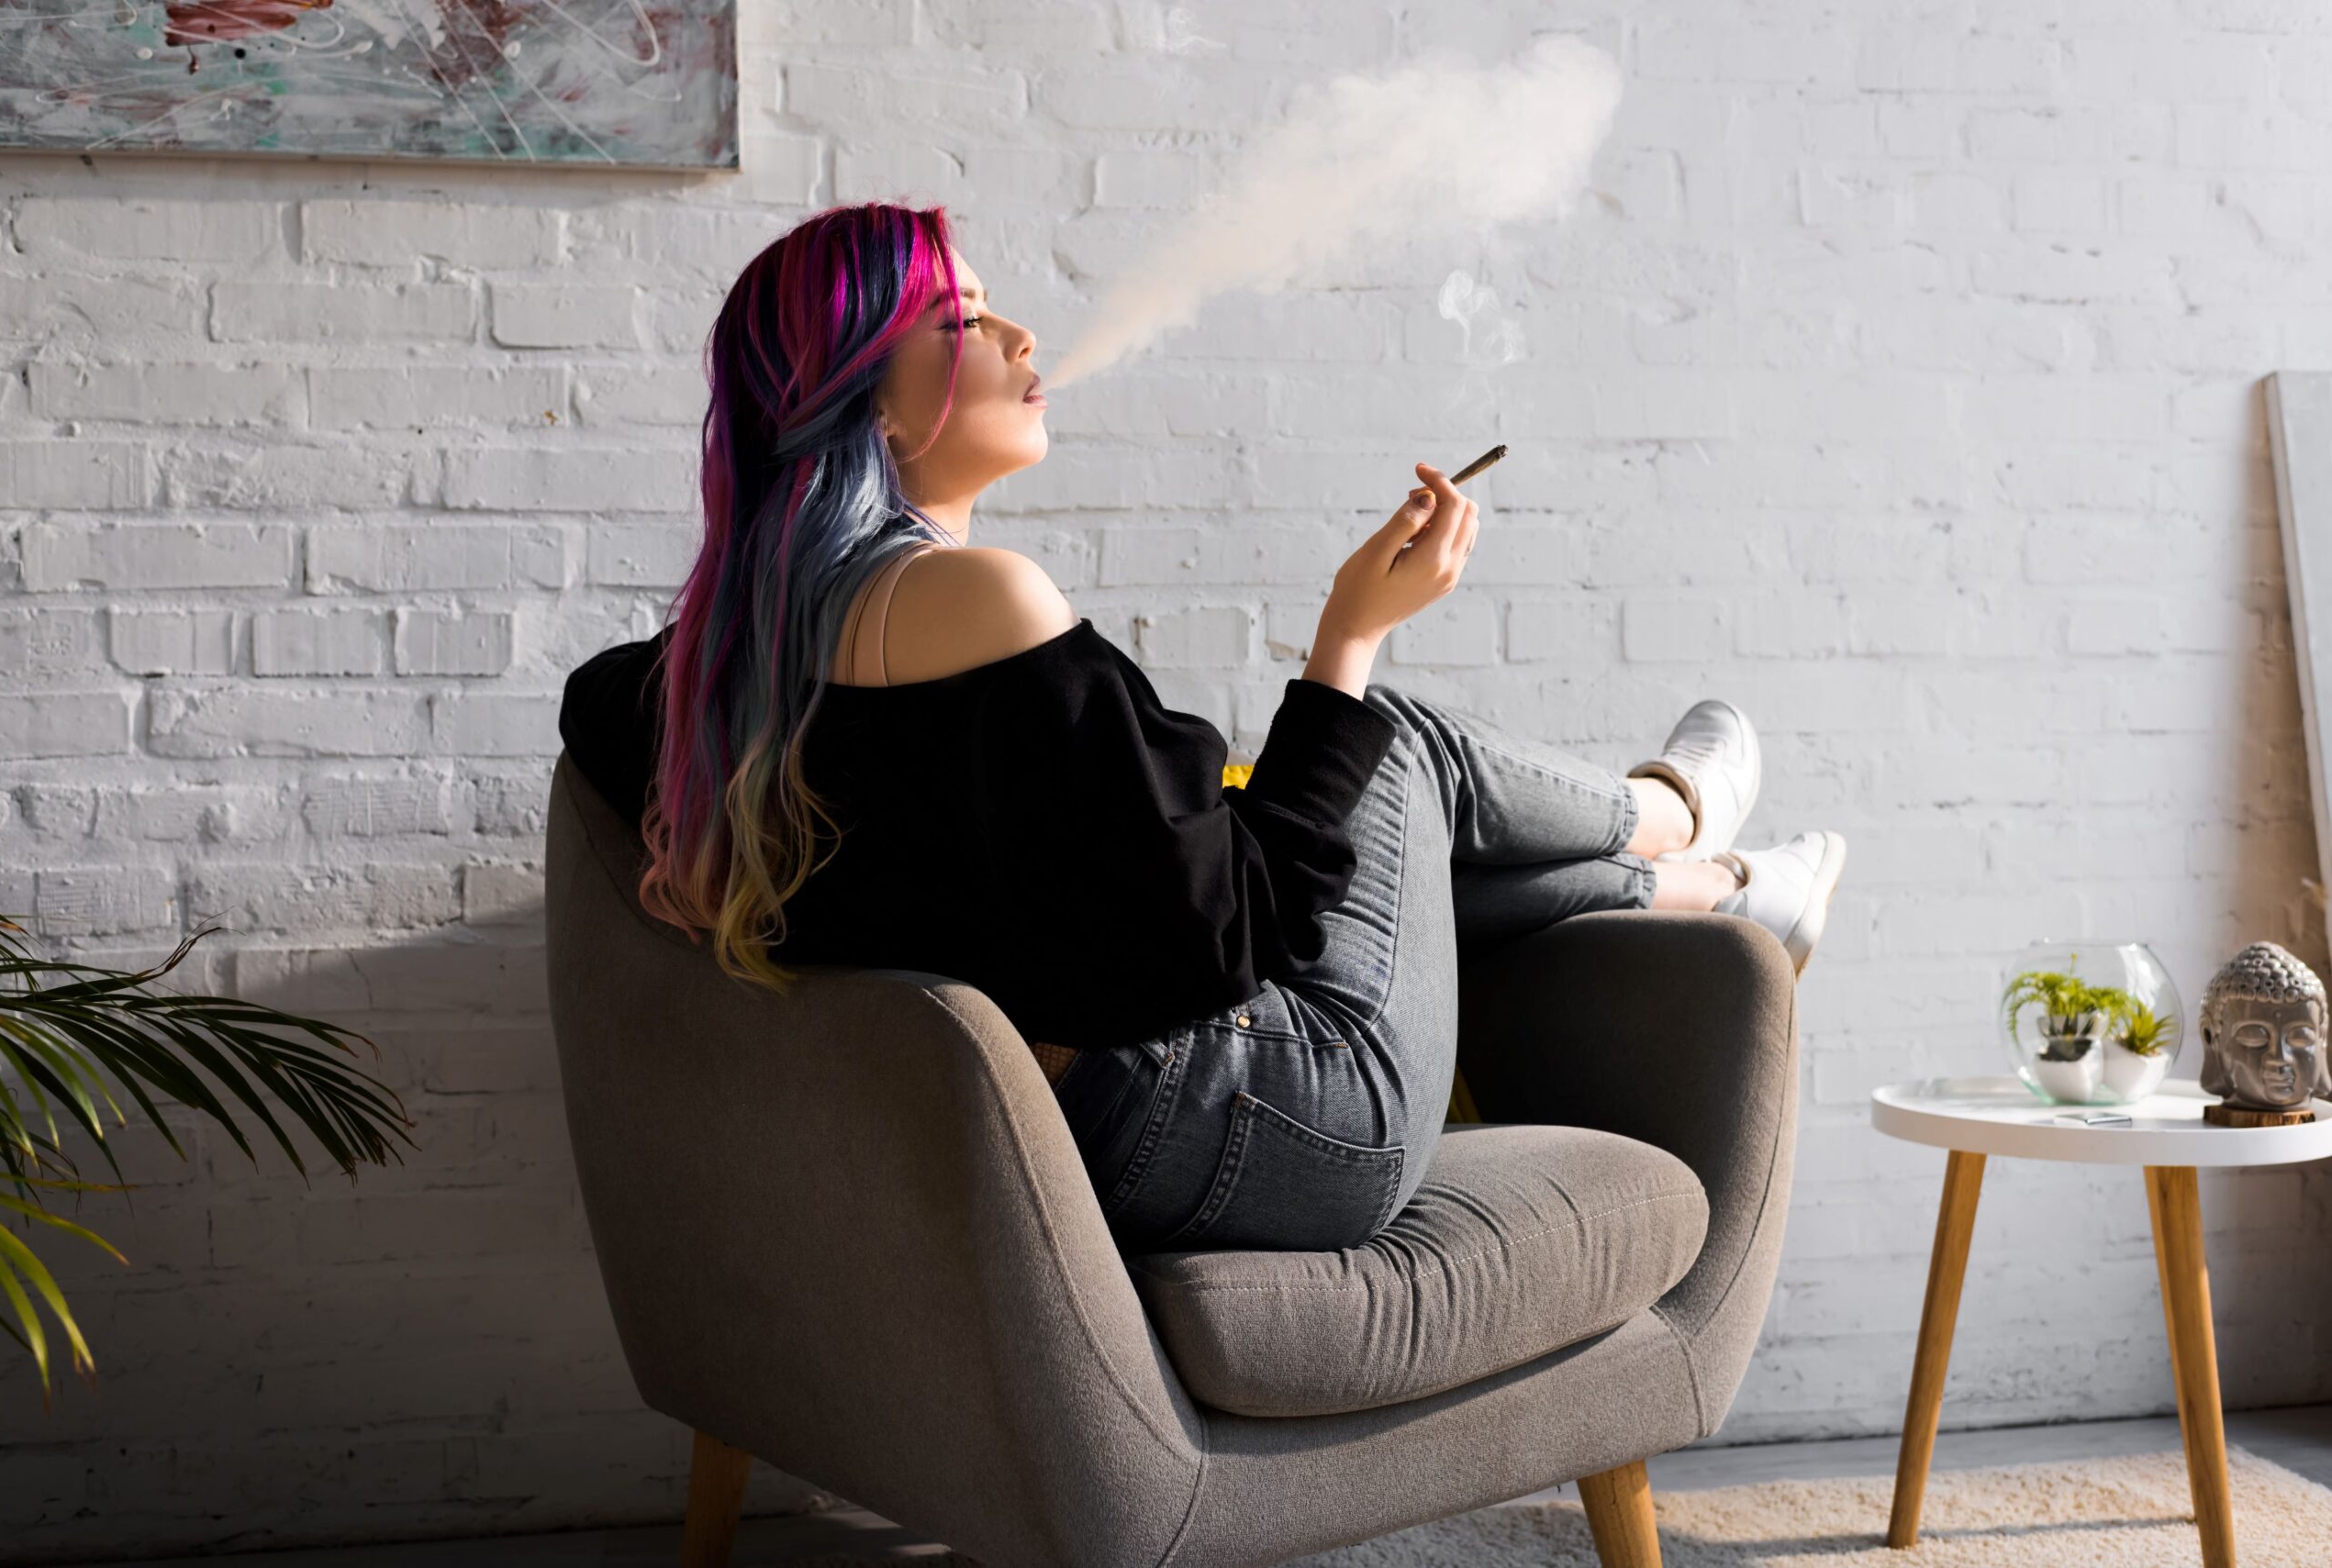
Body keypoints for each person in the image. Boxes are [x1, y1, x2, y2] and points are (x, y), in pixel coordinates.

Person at [556, 201, 1847, 1256]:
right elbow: (1241, 936)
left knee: (1389, 841)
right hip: (1282, 1124)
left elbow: (592, 701)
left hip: (1101, 1125)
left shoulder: (727, 671)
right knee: (1393, 740)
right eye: (958, 318)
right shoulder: (985, 600)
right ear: (874, 409)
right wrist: (1348, 634)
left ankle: (1717, 885)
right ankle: (1680, 810)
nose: (1016, 332)